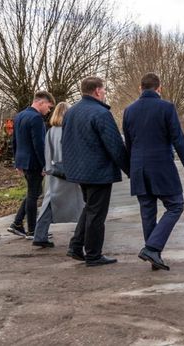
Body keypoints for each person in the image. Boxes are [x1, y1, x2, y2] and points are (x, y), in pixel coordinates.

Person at [122, 73, 184, 271]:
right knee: (175, 205)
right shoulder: (166, 108)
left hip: (138, 168)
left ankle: (153, 255)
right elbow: (178, 139)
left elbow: (128, 144)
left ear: (140, 88)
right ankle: (152, 248)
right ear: (159, 88)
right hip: (161, 167)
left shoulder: (129, 111)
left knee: (147, 212)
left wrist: (131, 169)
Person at [62, 77, 129, 267]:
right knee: (97, 214)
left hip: (78, 170)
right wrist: (130, 169)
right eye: (104, 90)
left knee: (90, 208)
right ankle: (93, 255)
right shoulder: (100, 113)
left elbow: (66, 142)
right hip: (98, 171)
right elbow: (115, 145)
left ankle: (76, 246)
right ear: (98, 91)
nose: (105, 93)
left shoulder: (71, 112)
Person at [32, 102, 84, 248]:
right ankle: (84, 234)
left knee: (49, 203)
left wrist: (47, 167)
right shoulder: (69, 130)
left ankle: (39, 235)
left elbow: (47, 152)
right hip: (68, 172)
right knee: (83, 204)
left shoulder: (51, 131)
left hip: (53, 172)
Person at [8, 91, 55, 239]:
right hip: (34, 162)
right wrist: (45, 165)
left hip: (24, 161)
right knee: (33, 195)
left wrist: (17, 162)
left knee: (32, 193)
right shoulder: (36, 118)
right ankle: (32, 231)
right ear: (41, 102)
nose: (49, 110)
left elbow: (14, 141)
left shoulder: (20, 116)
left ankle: (16, 224)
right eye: (48, 106)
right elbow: (39, 145)